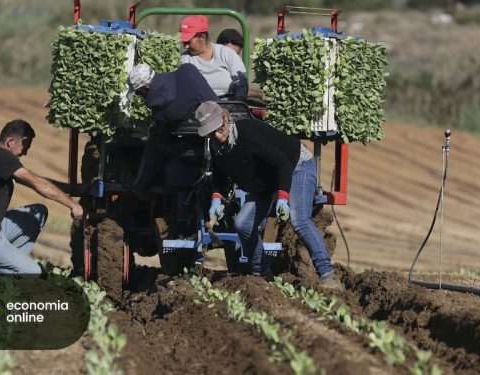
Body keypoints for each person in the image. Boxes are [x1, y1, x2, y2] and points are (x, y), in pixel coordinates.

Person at [194, 101, 343, 290]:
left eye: (219, 128)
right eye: (210, 132)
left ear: (226, 118)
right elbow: (219, 175)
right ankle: (262, 275)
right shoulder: (216, 147)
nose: (217, 134)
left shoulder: (248, 134)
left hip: (296, 167)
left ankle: (328, 274)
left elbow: (281, 164)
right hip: (264, 182)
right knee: (242, 224)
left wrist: (282, 196)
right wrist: (216, 197)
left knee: (299, 220)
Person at [0, 119, 84, 274]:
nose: (25, 153)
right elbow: (38, 184)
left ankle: (3, 264)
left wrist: (74, 189)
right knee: (33, 273)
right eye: (24, 147)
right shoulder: (0, 157)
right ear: (10, 141)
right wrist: (73, 204)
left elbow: (38, 180)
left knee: (39, 212)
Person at [125, 63, 217, 191]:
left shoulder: (162, 112)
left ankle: (139, 186)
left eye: (139, 93)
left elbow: (165, 135)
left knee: (154, 144)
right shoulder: (187, 69)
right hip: (217, 131)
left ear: (146, 89)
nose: (141, 97)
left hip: (195, 144)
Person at [179, 15, 248, 101]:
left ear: (203, 37)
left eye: (188, 42)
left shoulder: (227, 54)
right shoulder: (184, 60)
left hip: (228, 104)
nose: (186, 46)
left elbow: (241, 83)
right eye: (184, 42)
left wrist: (238, 104)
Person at [215, 28, 266, 101]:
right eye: (229, 53)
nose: (232, 57)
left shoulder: (234, 65)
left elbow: (238, 89)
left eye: (235, 55)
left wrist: (260, 94)